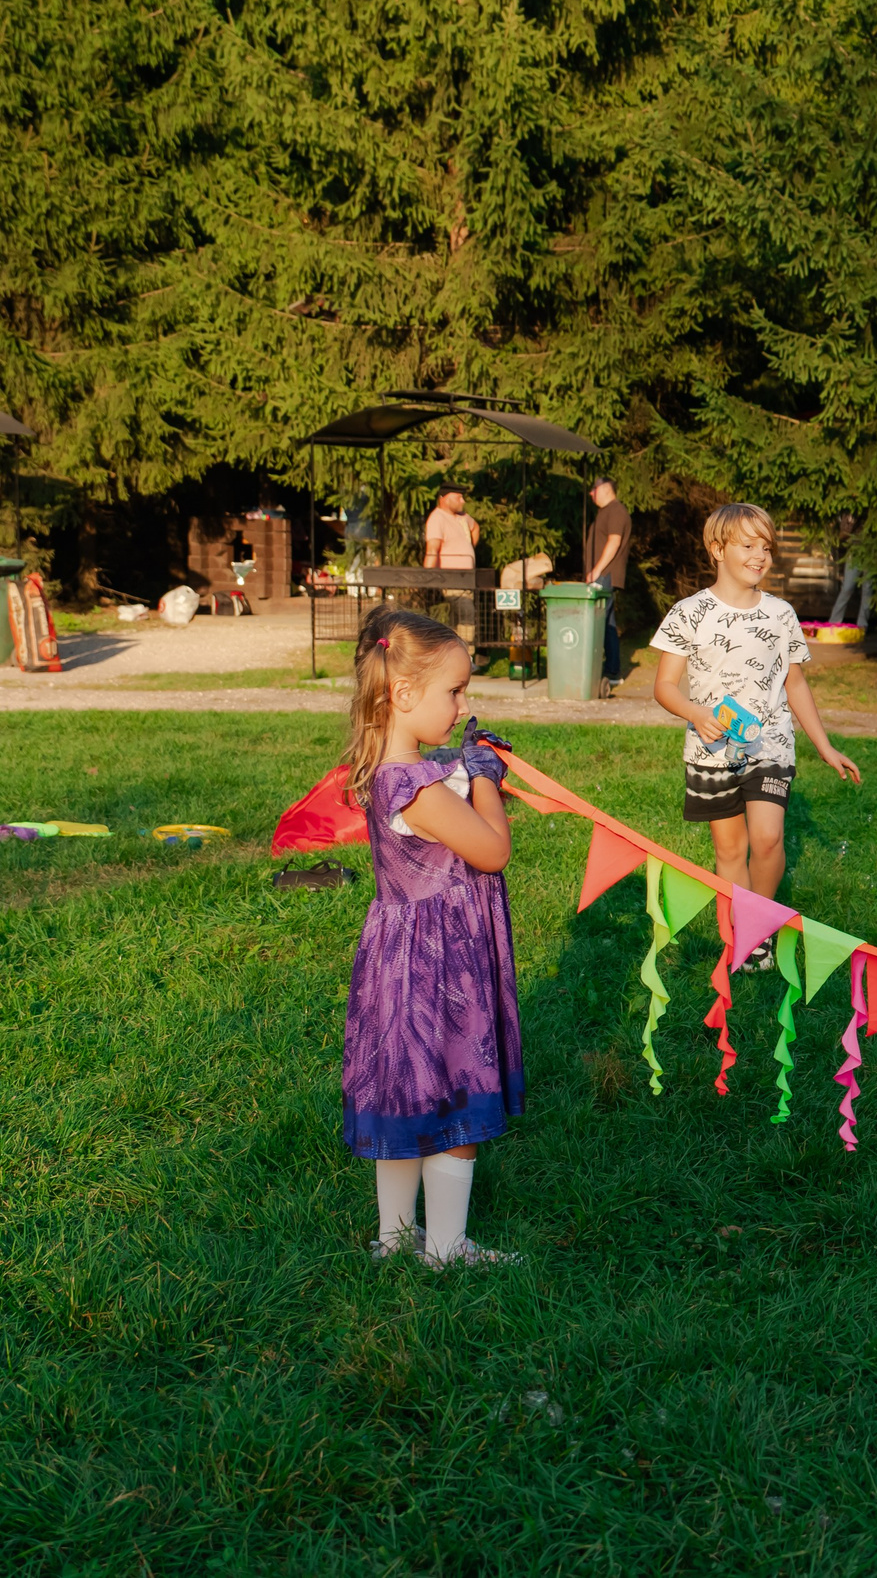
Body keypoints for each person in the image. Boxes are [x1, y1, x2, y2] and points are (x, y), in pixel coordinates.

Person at [340, 607, 523, 1268]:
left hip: (396, 963)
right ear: (404, 693)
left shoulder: (386, 772)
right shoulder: (421, 790)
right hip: (442, 969)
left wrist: (458, 766)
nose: (463, 703)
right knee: (457, 1093)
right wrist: (484, 777)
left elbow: (428, 774)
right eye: (455, 691)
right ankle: (447, 1247)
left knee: (406, 1096)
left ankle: (392, 1240)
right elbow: (491, 848)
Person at [650, 503, 862, 966]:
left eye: (766, 547)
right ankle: (740, 935)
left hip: (771, 746)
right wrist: (696, 712)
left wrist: (825, 746)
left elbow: (796, 683)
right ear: (717, 549)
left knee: (767, 839)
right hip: (711, 752)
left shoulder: (781, 614)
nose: (759, 555)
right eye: (748, 545)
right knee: (731, 850)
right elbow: (663, 687)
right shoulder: (690, 612)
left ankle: (760, 929)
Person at [583, 477, 632, 686]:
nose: (590, 494)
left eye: (593, 490)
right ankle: (612, 671)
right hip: (601, 575)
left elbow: (614, 541)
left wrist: (597, 570)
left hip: (605, 576)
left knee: (598, 623)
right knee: (607, 624)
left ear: (604, 489)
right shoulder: (605, 512)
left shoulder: (616, 511)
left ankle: (607, 670)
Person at [422, 485, 482, 650]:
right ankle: (466, 654)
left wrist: (468, 548)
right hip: (452, 578)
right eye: (458, 497)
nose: (462, 501)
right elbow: (432, 549)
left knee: (457, 618)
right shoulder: (437, 518)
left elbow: (475, 527)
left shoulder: (463, 517)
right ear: (444, 498)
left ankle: (453, 654)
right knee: (466, 612)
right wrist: (425, 577)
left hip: (467, 578)